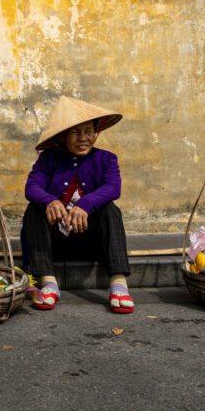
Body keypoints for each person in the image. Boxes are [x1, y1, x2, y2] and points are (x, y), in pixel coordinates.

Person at [20, 96, 133, 314]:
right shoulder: (48, 159)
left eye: (88, 131)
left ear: (95, 132)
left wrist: (86, 204)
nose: (83, 138)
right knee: (34, 209)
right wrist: (50, 200)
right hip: (55, 241)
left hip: (90, 240)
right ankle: (49, 282)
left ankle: (119, 284)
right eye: (75, 132)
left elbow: (113, 187)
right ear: (63, 137)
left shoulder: (107, 159)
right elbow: (31, 187)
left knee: (111, 210)